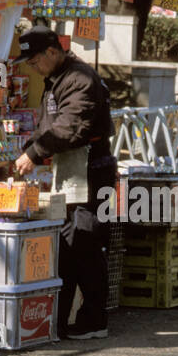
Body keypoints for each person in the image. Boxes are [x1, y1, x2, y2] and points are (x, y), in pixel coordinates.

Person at [13, 26, 116, 339]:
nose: (33, 67)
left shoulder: (79, 80)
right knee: (69, 246)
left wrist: (33, 153)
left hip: (91, 172)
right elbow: (50, 125)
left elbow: (69, 129)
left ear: (52, 52)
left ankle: (94, 320)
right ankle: (64, 320)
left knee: (84, 243)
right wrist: (28, 150)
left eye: (35, 61)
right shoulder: (58, 79)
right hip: (73, 172)